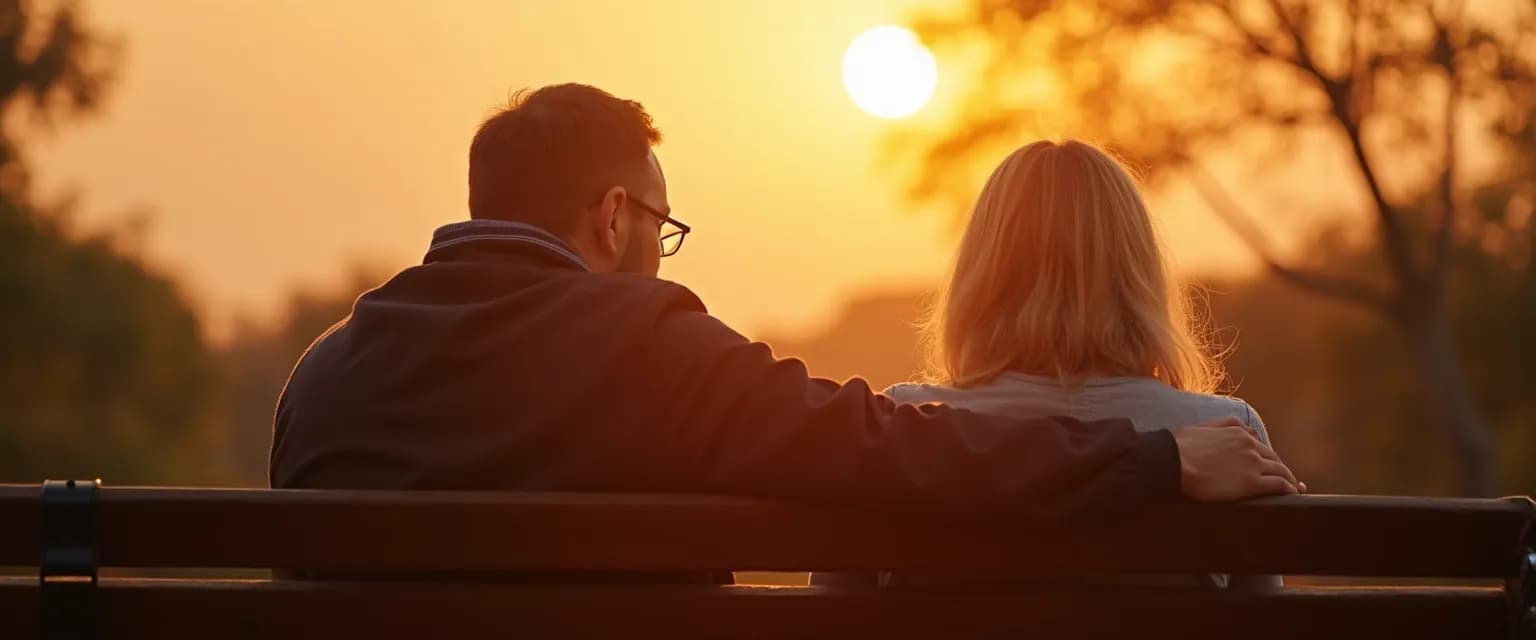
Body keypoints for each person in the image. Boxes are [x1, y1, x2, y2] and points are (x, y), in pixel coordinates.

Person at [268, 84, 1300, 583]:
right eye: (662, 227)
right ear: (615, 215)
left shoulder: (324, 377)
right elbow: (890, 447)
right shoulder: (643, 346)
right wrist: (1152, 458)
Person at [824, 139, 1287, 590]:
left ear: (981, 273)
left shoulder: (907, 430)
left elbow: (829, 614)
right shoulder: (1226, 433)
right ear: (1138, 273)